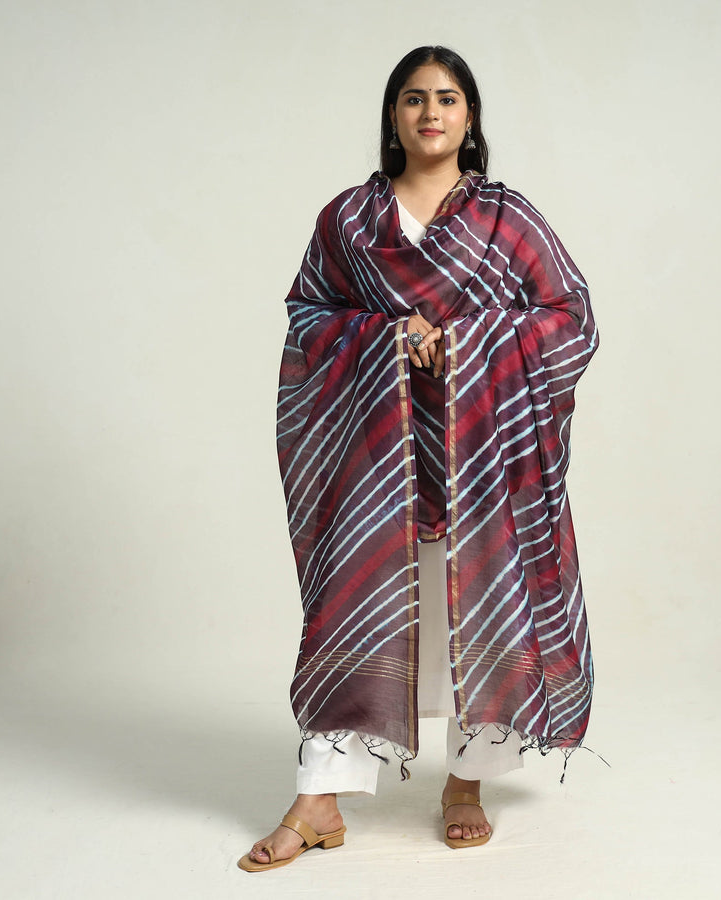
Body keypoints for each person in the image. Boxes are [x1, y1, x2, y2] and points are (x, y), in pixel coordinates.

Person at [239, 45, 598, 872]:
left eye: (446, 98)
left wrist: (469, 344)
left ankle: (466, 783)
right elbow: (308, 315)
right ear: (393, 117)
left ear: (469, 119)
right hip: (376, 461)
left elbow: (571, 317)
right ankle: (319, 799)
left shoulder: (509, 220)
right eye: (412, 98)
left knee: (486, 599)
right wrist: (388, 338)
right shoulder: (348, 221)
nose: (430, 112)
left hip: (486, 458)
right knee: (350, 606)